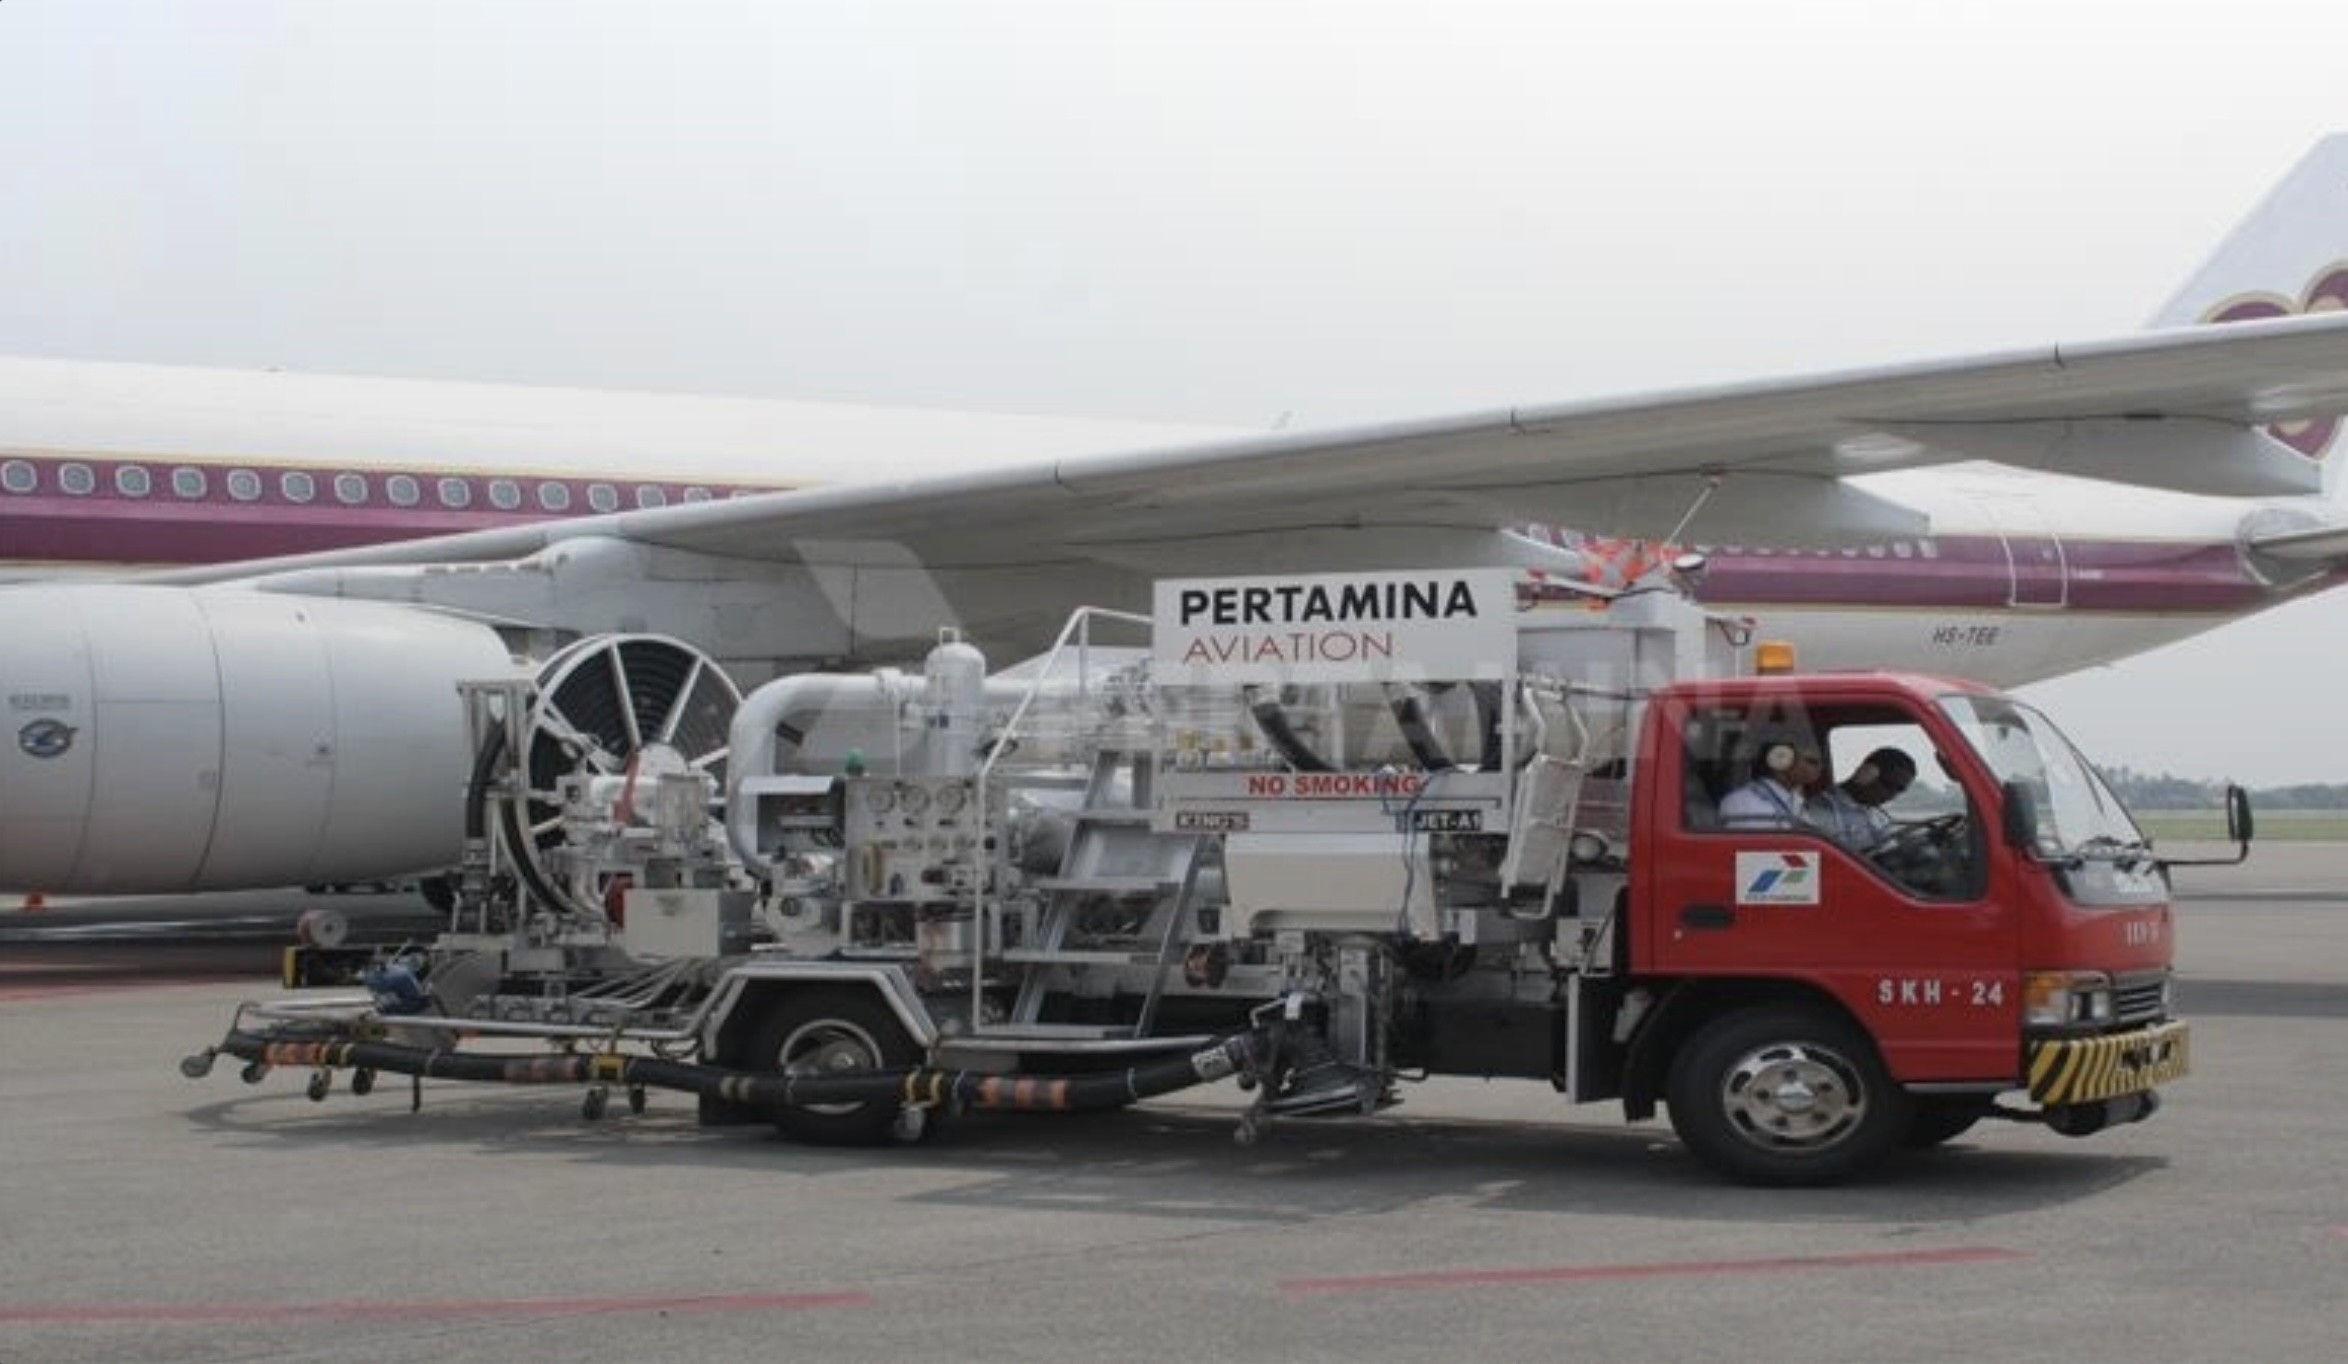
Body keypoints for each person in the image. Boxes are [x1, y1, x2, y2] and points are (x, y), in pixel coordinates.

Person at [1809, 747, 1917, 850]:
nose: (1892, 795)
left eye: (1899, 790)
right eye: (1889, 785)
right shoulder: (1818, 811)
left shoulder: (1879, 816)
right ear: (1866, 774)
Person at [1719, 740, 1824, 830]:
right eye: (1811, 761)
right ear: (1780, 760)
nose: (1819, 767)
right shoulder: (1741, 803)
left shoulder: (1797, 801)